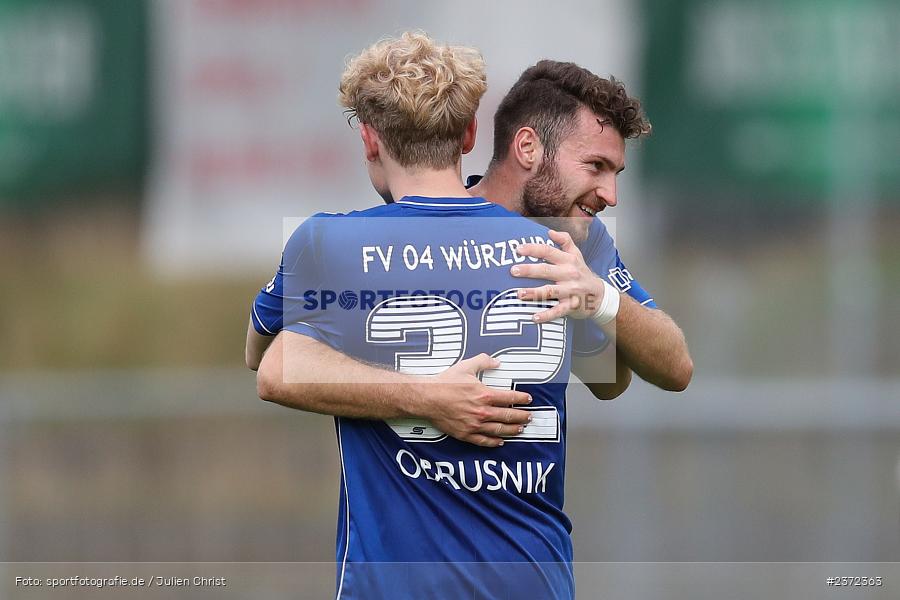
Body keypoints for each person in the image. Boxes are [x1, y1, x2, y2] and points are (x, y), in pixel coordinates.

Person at [257, 32, 582, 598]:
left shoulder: (331, 242)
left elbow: (266, 362)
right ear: (470, 134)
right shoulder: (557, 248)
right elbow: (625, 377)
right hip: (534, 578)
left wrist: (418, 395)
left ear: (369, 138)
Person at [248, 60, 693, 448]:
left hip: (526, 513)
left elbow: (638, 376)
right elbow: (276, 366)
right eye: (595, 166)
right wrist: (424, 397)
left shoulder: (579, 243)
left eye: (615, 173)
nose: (611, 195)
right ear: (527, 148)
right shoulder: (406, 233)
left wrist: (599, 300)